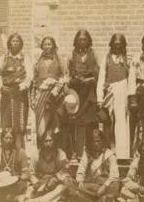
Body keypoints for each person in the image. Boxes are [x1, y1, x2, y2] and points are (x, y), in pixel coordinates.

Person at [60, 30, 100, 159]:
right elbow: (67, 75)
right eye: (80, 39)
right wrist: (73, 81)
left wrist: (90, 80)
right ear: (76, 41)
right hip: (76, 94)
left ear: (88, 41)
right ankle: (76, 153)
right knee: (75, 124)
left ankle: (90, 153)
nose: (82, 42)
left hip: (89, 93)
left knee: (90, 123)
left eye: (85, 39)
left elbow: (99, 74)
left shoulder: (94, 55)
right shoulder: (71, 57)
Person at [96, 33, 134, 159]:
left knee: (121, 121)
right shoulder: (106, 58)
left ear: (123, 46)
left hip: (122, 90)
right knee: (107, 122)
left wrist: (131, 95)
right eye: (115, 44)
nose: (117, 47)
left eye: (120, 45)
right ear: (111, 45)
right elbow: (101, 77)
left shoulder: (128, 59)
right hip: (109, 90)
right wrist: (100, 97)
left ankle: (121, 153)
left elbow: (131, 78)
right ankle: (106, 151)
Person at [0, 32, 33, 150]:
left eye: (17, 41)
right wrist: (0, 86)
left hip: (20, 95)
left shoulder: (25, 58)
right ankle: (7, 153)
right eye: (13, 41)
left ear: (20, 44)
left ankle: (20, 152)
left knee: (20, 124)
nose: (15, 43)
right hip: (7, 94)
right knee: (7, 123)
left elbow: (30, 76)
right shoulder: (4, 58)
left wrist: (22, 86)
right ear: (9, 43)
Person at [62, 129, 120, 202]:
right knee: (68, 181)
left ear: (103, 141)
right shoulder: (87, 153)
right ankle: (100, 199)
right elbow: (81, 169)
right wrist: (80, 181)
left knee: (116, 183)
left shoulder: (110, 154)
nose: (96, 144)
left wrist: (104, 187)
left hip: (102, 185)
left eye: (98, 141)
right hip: (89, 184)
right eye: (94, 141)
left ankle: (84, 197)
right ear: (90, 142)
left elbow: (114, 175)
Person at [31, 37, 66, 148]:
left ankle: (55, 150)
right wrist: (32, 97)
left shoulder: (60, 60)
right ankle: (41, 150)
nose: (47, 46)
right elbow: (33, 80)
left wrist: (57, 87)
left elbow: (64, 76)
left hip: (55, 95)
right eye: (45, 44)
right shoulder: (37, 61)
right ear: (42, 46)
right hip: (41, 95)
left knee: (55, 121)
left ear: (53, 46)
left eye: (49, 44)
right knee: (41, 123)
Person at [26, 131, 72, 202]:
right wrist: (38, 183)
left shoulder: (61, 154)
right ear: (42, 142)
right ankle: (30, 196)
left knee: (63, 188)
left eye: (51, 140)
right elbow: (31, 173)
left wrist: (56, 178)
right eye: (46, 141)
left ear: (54, 141)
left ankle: (39, 201)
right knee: (28, 188)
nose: (48, 143)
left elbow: (65, 171)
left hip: (55, 182)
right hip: (41, 183)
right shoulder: (36, 154)